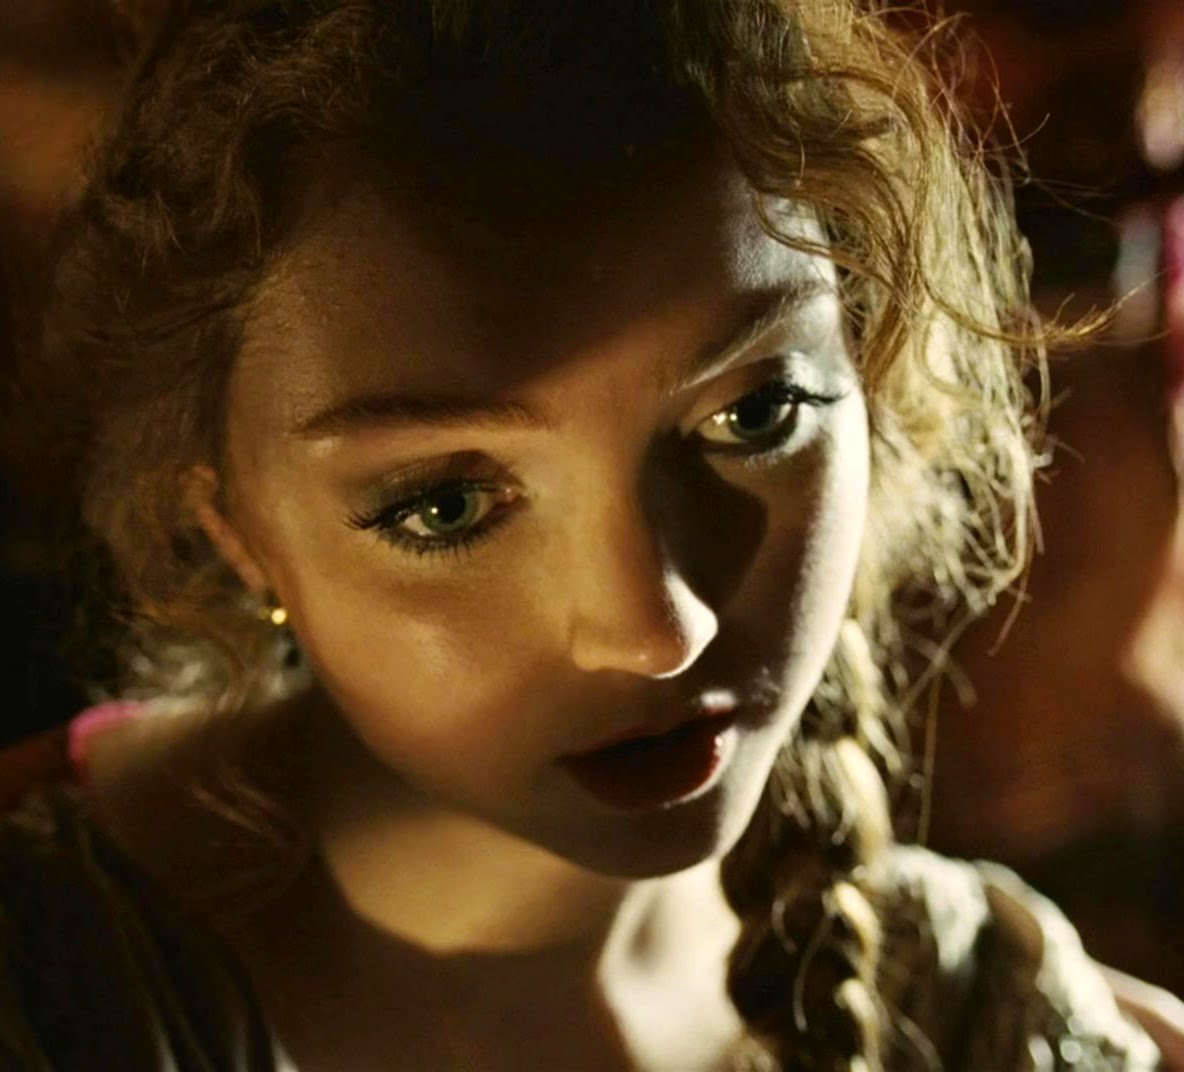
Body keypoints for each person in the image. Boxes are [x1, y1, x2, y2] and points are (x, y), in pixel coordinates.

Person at [4, 0, 1181, 1068]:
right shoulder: (55, 988)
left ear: (866, 371)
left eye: (754, 415)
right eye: (444, 505)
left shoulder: (977, 1010)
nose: (658, 629)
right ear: (233, 528)